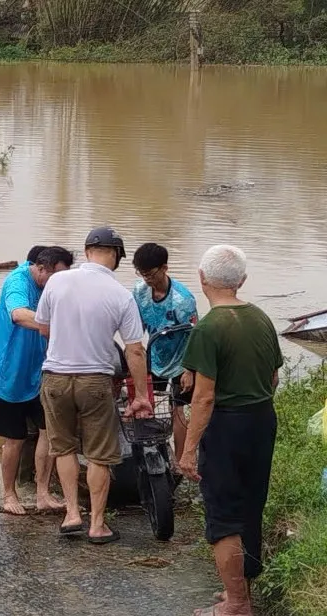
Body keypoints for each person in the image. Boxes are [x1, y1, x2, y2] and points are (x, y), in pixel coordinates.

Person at [178, 245, 282, 616]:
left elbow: (203, 398)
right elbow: (273, 376)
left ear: (202, 279)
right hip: (261, 419)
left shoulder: (208, 328)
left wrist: (188, 450)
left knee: (223, 516)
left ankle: (237, 604)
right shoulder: (261, 318)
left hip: (226, 426)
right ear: (242, 280)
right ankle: (240, 596)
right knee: (251, 508)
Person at [35, 226, 152, 544]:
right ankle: (97, 525)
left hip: (55, 378)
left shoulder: (57, 280)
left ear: (87, 251)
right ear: (115, 256)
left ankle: (72, 514)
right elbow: (135, 349)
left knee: (64, 447)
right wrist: (141, 395)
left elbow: (43, 327)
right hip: (96, 380)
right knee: (100, 454)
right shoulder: (121, 295)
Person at [0, 247, 74, 515]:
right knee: (14, 438)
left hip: (40, 370)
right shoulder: (17, 281)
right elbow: (19, 314)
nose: (61, 281)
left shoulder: (52, 285)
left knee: (48, 431)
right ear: (42, 269)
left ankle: (43, 492)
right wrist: (56, 327)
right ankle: (9, 494)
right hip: (9, 372)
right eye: (57, 275)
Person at [131, 242, 199, 466]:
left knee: (177, 409)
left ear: (164, 268)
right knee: (147, 404)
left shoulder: (183, 301)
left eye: (150, 274)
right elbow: (134, 328)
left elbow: (194, 337)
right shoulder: (139, 291)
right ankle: (149, 453)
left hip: (182, 361)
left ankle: (180, 462)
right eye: (142, 274)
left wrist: (190, 369)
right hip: (154, 357)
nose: (146, 279)